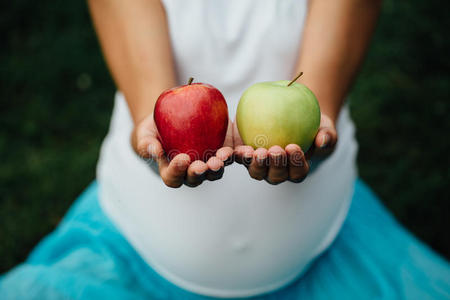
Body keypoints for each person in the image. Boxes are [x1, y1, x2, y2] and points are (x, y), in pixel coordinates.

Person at [1, 0, 449, 299]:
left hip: (323, 245)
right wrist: (157, 128)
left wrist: (318, 123)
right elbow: (153, 91)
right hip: (131, 248)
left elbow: (322, 84)